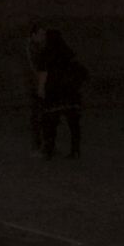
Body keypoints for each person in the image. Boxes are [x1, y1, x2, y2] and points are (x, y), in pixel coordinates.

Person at [40, 28, 86, 159]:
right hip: (70, 92)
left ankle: (50, 148)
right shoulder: (68, 52)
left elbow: (43, 73)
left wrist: (41, 89)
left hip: (54, 91)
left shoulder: (47, 53)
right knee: (73, 123)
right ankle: (75, 149)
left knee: (51, 122)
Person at [26, 23, 48, 154]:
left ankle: (40, 143)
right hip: (37, 84)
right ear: (34, 35)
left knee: (39, 114)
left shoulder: (36, 47)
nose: (43, 37)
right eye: (40, 34)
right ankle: (39, 144)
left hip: (38, 84)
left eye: (44, 34)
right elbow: (37, 68)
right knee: (38, 115)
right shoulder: (33, 48)